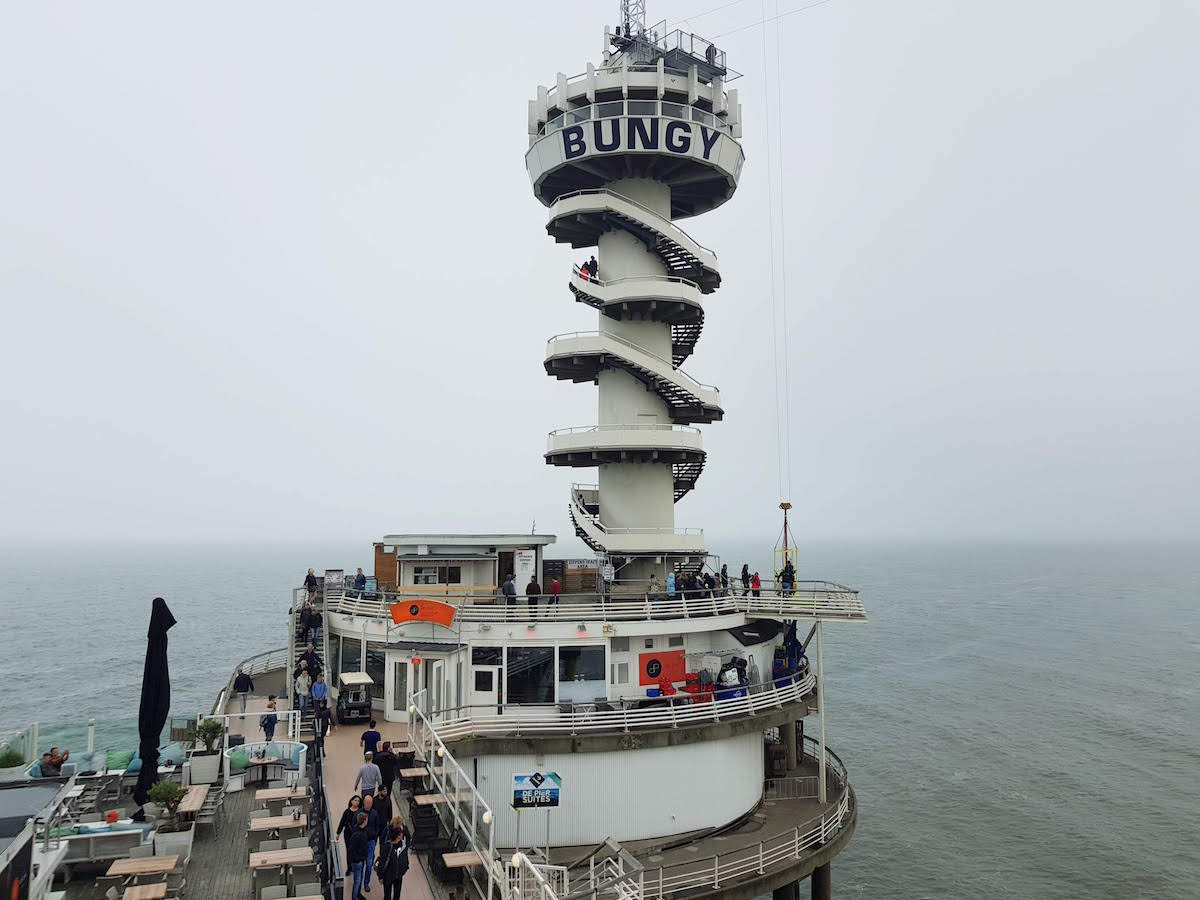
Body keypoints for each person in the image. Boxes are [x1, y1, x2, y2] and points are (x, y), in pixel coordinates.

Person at [379, 815, 411, 900]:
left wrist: (405, 866)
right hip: (389, 873)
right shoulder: (388, 844)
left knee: (397, 894)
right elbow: (382, 860)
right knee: (388, 895)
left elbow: (408, 840)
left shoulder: (403, 841)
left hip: (398, 872)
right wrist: (381, 876)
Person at [360, 793, 380, 891]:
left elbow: (377, 827)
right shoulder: (359, 814)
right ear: (363, 803)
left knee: (368, 864)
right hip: (361, 843)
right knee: (361, 864)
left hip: (371, 842)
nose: (369, 805)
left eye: (370, 803)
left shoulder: (375, 814)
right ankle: (359, 883)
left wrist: (374, 836)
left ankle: (366, 883)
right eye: (367, 803)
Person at [348, 810, 370, 900]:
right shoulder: (359, 834)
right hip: (358, 861)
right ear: (364, 821)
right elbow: (352, 849)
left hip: (360, 859)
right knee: (357, 881)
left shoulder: (359, 831)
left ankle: (358, 894)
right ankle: (354, 897)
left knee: (358, 879)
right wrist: (358, 859)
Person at [336, 794, 362, 863]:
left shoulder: (360, 812)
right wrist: (338, 833)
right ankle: (349, 866)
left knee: (356, 849)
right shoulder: (347, 812)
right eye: (355, 800)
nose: (357, 802)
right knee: (349, 849)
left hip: (357, 833)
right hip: (348, 833)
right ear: (351, 801)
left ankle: (355, 862)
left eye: (358, 801)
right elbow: (342, 822)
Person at [373, 784, 394, 854]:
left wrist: (390, 822)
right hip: (375, 826)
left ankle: (381, 858)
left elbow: (390, 813)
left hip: (384, 826)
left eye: (386, 791)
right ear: (379, 792)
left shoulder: (388, 800)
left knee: (383, 844)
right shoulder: (374, 801)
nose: (386, 793)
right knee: (373, 843)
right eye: (384, 791)